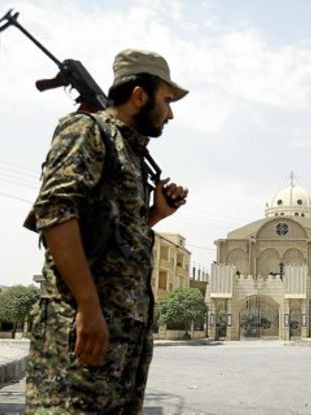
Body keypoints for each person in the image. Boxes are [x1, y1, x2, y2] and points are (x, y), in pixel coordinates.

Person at [24, 48, 189, 413]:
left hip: (121, 343)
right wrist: (88, 305)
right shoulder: (86, 130)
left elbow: (113, 237)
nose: (171, 113)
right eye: (166, 100)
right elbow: (55, 212)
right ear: (139, 96)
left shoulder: (129, 154)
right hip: (82, 336)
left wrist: (155, 214)